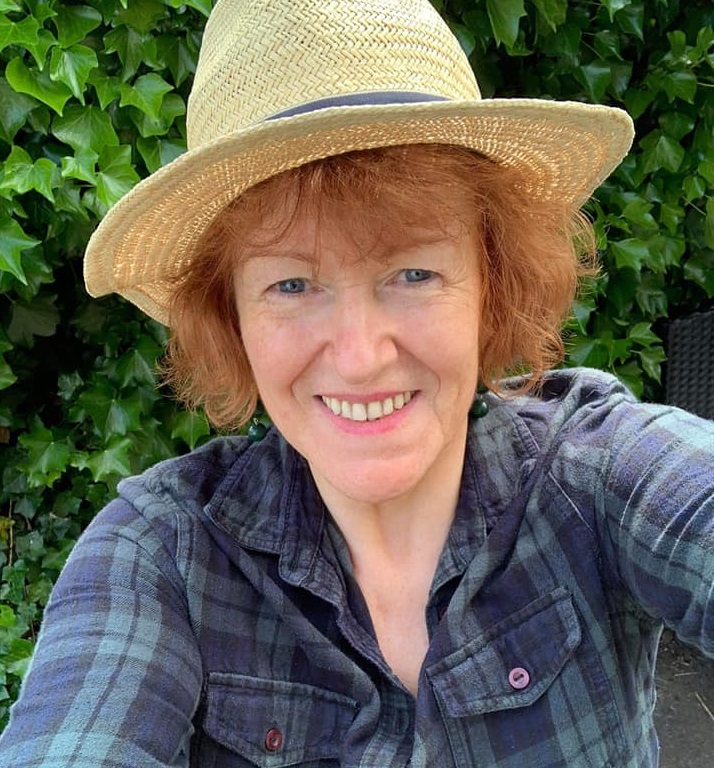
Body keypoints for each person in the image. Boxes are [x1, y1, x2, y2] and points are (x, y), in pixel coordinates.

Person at [1, 0, 712, 766]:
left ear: (491, 285)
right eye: (291, 285)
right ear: (231, 316)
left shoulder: (597, 476)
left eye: (414, 273)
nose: (361, 356)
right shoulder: (164, 555)